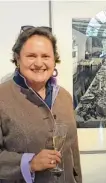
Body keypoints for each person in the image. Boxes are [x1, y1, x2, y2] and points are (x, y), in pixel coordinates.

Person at [0, 26, 82, 183]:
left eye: (45, 56)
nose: (39, 63)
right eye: (31, 56)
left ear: (54, 60)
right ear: (17, 58)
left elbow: (73, 151)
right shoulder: (2, 97)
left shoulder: (64, 97)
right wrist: (29, 163)